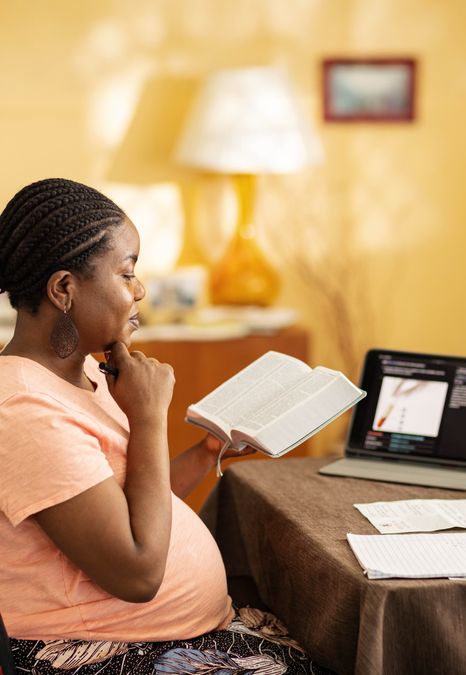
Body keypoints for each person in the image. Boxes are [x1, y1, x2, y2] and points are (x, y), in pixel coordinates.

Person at [0, 178, 326, 673]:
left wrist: (203, 453)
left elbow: (125, 502)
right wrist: (149, 418)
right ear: (64, 289)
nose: (140, 290)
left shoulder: (84, 371)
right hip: (96, 654)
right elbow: (137, 574)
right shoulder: (23, 409)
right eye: (126, 273)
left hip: (156, 635)